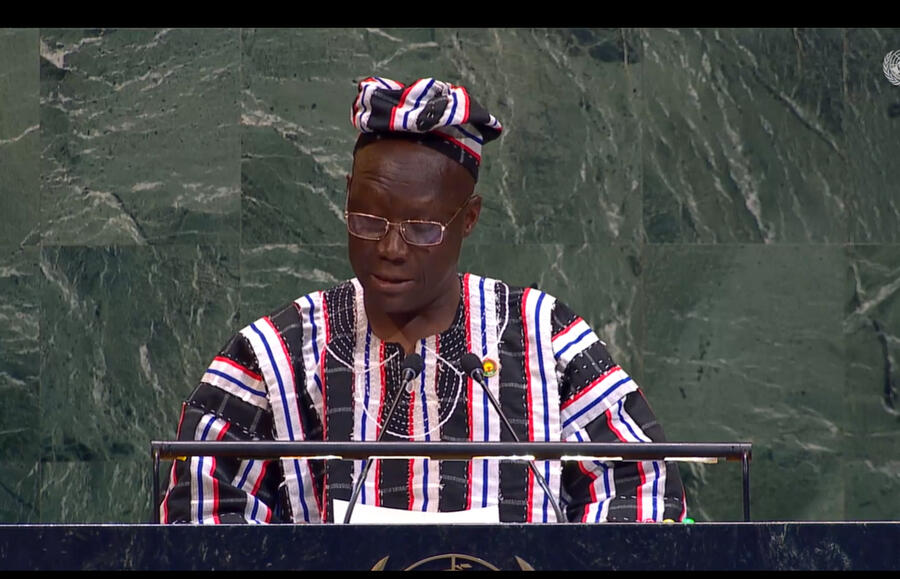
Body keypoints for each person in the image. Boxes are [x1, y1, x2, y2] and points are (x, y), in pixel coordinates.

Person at [160, 76, 687, 524]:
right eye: (368, 221)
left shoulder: (545, 340)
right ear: (346, 196)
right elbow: (201, 520)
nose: (389, 249)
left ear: (470, 219)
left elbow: (645, 494)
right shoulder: (273, 355)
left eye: (421, 228)